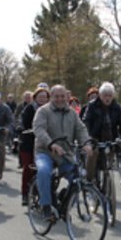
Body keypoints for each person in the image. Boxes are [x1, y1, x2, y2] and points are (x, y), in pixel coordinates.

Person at [32, 85, 92, 221]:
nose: (59, 99)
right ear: (51, 97)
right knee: (44, 171)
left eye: (62, 96)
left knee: (78, 177)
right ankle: (45, 205)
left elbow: (81, 129)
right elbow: (39, 129)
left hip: (65, 154)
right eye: (56, 96)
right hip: (45, 152)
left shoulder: (72, 113)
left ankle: (64, 204)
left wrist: (86, 143)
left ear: (67, 97)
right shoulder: (43, 111)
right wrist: (51, 144)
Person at [83, 82, 121, 181]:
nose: (107, 98)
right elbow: (86, 122)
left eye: (110, 96)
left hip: (110, 138)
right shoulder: (92, 105)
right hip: (95, 137)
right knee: (92, 154)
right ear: (100, 96)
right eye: (105, 96)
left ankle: (107, 179)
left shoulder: (116, 107)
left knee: (108, 161)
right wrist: (89, 137)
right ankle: (89, 180)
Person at [20, 87, 49, 206]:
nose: (42, 99)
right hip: (28, 143)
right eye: (40, 96)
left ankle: (45, 194)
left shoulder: (50, 110)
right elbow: (22, 122)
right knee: (28, 168)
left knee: (46, 169)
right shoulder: (29, 108)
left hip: (44, 144)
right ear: (35, 97)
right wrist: (23, 129)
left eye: (45, 97)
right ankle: (25, 194)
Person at [0, 90, 15, 180]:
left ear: (0, 99)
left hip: (0, 133)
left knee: (0, 150)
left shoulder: (6, 108)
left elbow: (11, 121)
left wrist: (7, 129)